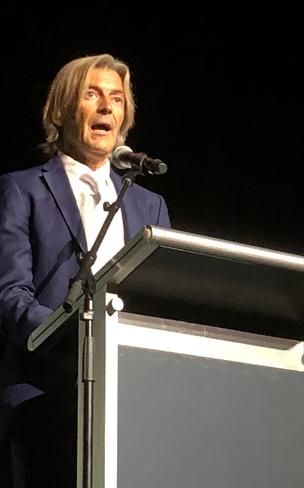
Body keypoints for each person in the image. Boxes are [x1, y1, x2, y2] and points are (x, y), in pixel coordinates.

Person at [0, 54, 170, 487]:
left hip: (135, 399)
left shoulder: (149, 205)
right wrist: (74, 334)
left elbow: (165, 305)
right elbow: (10, 294)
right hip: (46, 397)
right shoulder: (21, 190)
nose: (106, 107)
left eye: (116, 99)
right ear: (60, 111)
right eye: (91, 94)